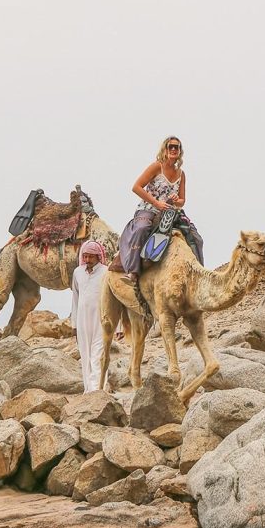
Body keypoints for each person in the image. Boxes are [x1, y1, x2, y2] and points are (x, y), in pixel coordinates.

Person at [118, 136, 204, 283]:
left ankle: (200, 275)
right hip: (149, 208)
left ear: (180, 151)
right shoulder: (157, 166)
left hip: (171, 213)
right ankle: (133, 271)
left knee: (196, 238)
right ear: (165, 149)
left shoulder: (181, 174)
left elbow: (182, 201)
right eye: (170, 146)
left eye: (176, 147)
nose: (173, 149)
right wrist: (156, 203)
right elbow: (136, 187)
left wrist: (177, 200)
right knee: (141, 229)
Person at [71, 240, 108, 392]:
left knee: (97, 355)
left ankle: (98, 390)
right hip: (82, 320)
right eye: (84, 256)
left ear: (98, 257)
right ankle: (88, 390)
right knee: (85, 356)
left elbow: (113, 300)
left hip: (101, 319)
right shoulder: (77, 272)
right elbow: (75, 298)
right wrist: (73, 324)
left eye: (90, 257)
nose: (87, 260)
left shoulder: (106, 272)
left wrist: (116, 325)